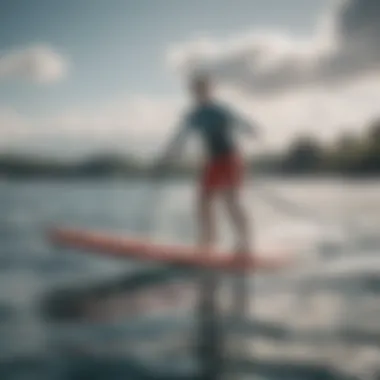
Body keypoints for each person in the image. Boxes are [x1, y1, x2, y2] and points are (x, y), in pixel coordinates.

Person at [156, 73, 259, 256]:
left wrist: (251, 129)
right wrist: (169, 154)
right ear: (193, 92)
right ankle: (208, 241)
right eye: (195, 90)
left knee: (231, 201)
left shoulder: (218, 110)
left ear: (209, 90)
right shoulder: (194, 115)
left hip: (229, 158)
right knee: (203, 202)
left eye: (202, 89)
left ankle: (245, 243)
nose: (199, 93)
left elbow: (240, 122)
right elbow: (180, 137)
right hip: (212, 162)